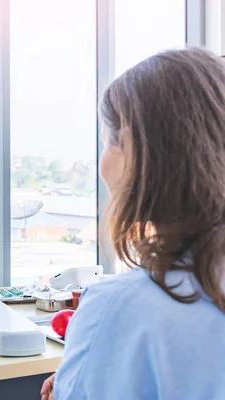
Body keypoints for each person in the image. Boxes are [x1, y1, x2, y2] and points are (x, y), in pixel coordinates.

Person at [41, 47, 225, 400]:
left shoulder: (121, 309)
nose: (102, 163)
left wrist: (92, 367)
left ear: (142, 156)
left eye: (108, 142)